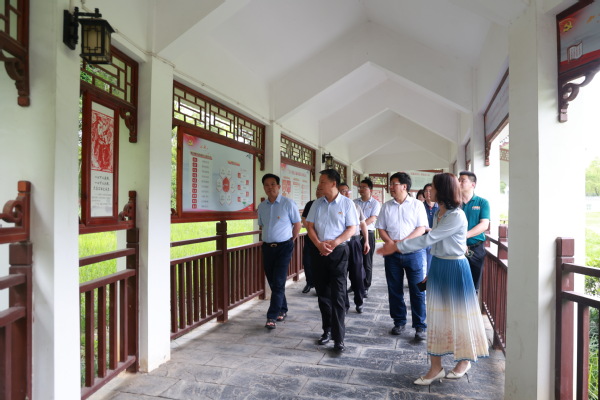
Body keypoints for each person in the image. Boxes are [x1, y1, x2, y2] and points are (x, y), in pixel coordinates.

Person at [377, 173, 488, 385]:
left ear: (443, 190)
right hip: (439, 265)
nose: (429, 191)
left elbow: (429, 239)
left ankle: (464, 361)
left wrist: (396, 246)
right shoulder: (439, 212)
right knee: (437, 317)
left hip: (455, 268)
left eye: (433, 188)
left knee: (459, 316)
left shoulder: (456, 215)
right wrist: (431, 270)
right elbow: (435, 244)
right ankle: (435, 367)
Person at [306, 169, 358, 352]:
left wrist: (334, 243)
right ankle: (326, 330)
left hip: (339, 252)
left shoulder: (347, 203)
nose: (319, 185)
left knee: (338, 295)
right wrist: (319, 244)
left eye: (322, 182)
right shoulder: (317, 203)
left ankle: (339, 337)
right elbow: (309, 226)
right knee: (323, 294)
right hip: (319, 252)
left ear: (333, 183)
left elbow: (352, 228)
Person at [376, 172, 428, 340]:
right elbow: (381, 228)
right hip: (392, 255)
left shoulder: (417, 205)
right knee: (394, 289)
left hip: (414, 254)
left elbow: (421, 228)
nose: (391, 187)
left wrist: (402, 243)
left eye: (394, 184)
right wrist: (392, 244)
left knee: (418, 290)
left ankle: (420, 325)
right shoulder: (386, 206)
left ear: (404, 186)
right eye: (390, 184)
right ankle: (399, 321)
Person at [257, 173, 302, 329]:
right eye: (266, 185)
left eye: (273, 184)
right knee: (272, 280)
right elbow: (262, 225)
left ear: (278, 186)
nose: (270, 187)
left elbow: (297, 224)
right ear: (264, 187)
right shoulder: (262, 206)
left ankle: (272, 316)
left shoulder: (288, 203)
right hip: (267, 248)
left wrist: (291, 240)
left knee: (278, 280)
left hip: (284, 247)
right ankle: (282, 309)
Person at [339, 183, 369, 313]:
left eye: (347, 191)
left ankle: (359, 301)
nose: (346, 193)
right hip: (340, 243)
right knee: (341, 274)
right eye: (343, 191)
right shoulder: (335, 207)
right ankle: (344, 304)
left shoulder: (356, 206)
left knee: (357, 273)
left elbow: (363, 224)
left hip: (355, 242)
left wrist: (366, 241)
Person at [458, 171, 490, 292]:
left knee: (473, 286)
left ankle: (471, 304)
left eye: (463, 180)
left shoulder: (482, 202)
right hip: (456, 248)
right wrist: (460, 242)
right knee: (457, 284)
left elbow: (484, 224)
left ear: (473, 184)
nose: (459, 183)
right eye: (459, 180)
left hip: (475, 249)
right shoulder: (454, 203)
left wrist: (464, 237)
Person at [354, 178, 381, 297]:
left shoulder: (375, 203)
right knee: (355, 261)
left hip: (368, 234)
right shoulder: (355, 202)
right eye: (360, 187)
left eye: (364, 187)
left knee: (367, 262)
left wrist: (360, 226)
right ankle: (355, 284)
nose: (361, 189)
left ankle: (365, 286)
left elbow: (372, 218)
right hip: (356, 234)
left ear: (370, 189)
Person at [300, 187, 322, 294]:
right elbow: (304, 218)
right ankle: (309, 283)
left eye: (320, 189)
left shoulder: (326, 205)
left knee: (320, 262)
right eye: (317, 189)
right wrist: (310, 230)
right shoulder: (310, 204)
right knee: (307, 261)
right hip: (310, 237)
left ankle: (319, 285)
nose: (317, 191)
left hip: (322, 238)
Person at [423, 183, 439, 274]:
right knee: (423, 266)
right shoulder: (420, 206)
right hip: (423, 239)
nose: (428, 193)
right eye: (426, 191)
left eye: (430, 191)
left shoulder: (440, 207)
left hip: (437, 240)